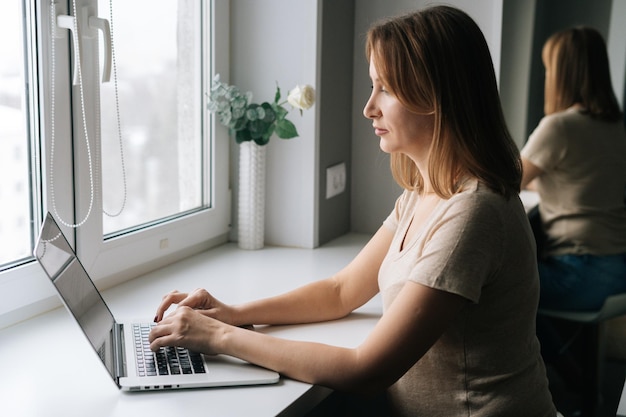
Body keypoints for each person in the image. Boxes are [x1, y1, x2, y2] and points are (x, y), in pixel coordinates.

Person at [149, 6, 556, 416]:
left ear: (437, 97)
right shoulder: (423, 193)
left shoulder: (473, 214)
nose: (369, 108)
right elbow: (341, 291)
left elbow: (367, 371)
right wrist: (233, 313)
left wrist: (218, 337)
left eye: (386, 89)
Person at [520, 26, 626, 312]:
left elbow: (506, 179)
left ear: (561, 75)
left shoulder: (560, 126)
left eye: (548, 69)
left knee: (499, 285)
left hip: (580, 272)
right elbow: (576, 181)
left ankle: (554, 358)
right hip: (617, 268)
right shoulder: (616, 126)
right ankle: (561, 357)